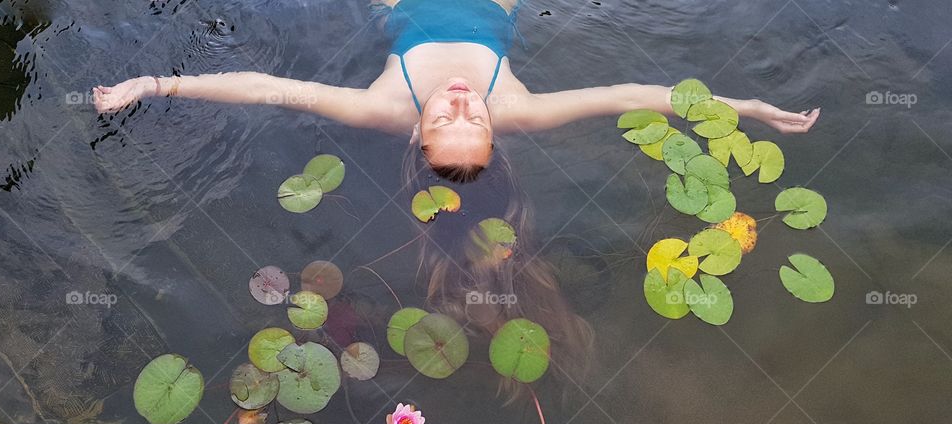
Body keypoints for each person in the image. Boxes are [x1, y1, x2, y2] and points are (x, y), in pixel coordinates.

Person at [92, 0, 820, 184]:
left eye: (449, 116)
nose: (465, 102)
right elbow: (636, 92)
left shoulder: (382, 107)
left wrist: (156, 82)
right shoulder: (520, 109)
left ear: (417, 133)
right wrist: (748, 108)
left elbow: (267, 88)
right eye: (476, 117)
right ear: (498, 132)